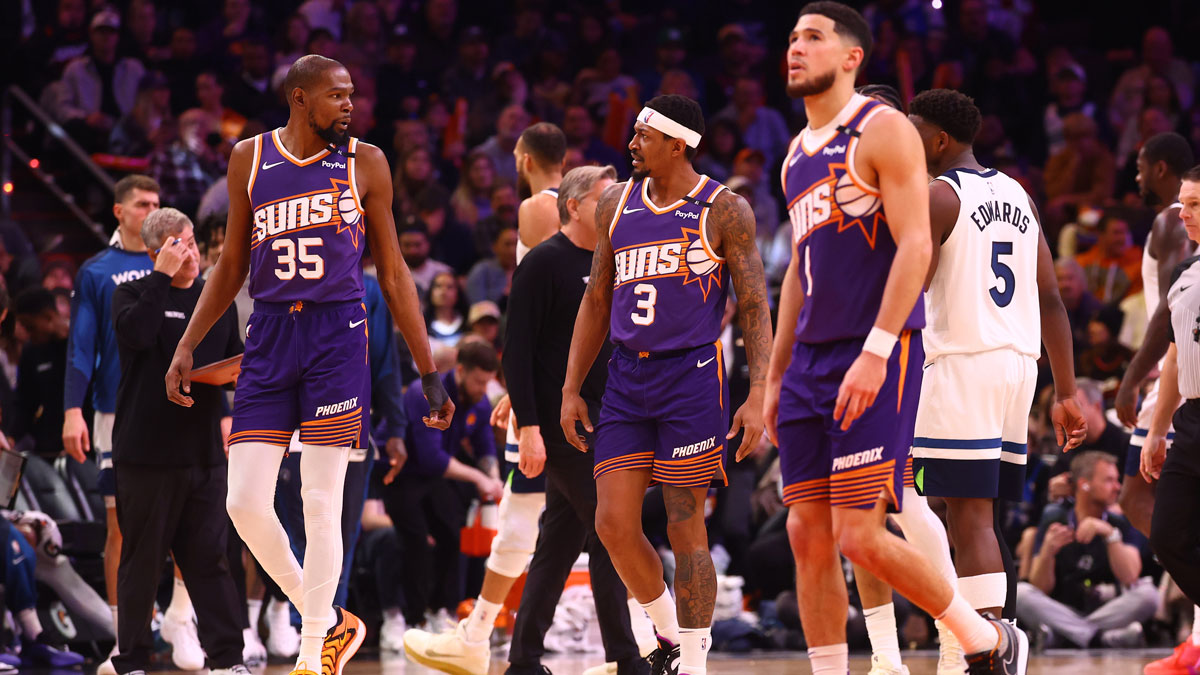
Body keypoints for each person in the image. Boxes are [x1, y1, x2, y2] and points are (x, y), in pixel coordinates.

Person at [165, 54, 454, 675]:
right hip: (269, 332)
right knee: (244, 502)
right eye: (338, 96)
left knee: (322, 502)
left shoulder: (366, 162)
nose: (350, 106)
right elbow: (231, 266)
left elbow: (395, 272)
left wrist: (427, 370)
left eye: (353, 95)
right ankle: (327, 618)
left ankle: (311, 652)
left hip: (336, 335)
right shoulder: (250, 157)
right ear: (300, 99)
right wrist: (188, 343)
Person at [768, 5, 1028, 674]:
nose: (796, 48)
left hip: (877, 348)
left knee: (862, 533)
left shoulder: (883, 130)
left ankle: (987, 636)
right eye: (793, 38)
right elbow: (800, 269)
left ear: (852, 57)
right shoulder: (796, 153)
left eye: (814, 38)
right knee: (806, 531)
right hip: (810, 360)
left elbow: (916, 243)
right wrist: (772, 375)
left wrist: (878, 349)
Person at [561, 92, 773, 675]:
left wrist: (759, 393)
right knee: (611, 523)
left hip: (692, 377)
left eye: (642, 135)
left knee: (685, 520)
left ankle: (697, 663)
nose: (631, 144)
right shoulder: (615, 204)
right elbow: (597, 298)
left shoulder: (723, 209)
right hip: (628, 377)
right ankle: (667, 633)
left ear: (677, 143)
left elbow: (754, 304)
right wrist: (571, 385)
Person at [909, 86, 1086, 652]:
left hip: (963, 360)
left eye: (913, 132)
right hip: (1017, 366)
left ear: (938, 139)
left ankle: (990, 645)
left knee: (961, 513)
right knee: (955, 507)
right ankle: (977, 634)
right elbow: (1052, 300)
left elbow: (909, 291)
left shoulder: (939, 196)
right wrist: (1066, 392)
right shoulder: (1020, 195)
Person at [404, 123, 569, 671]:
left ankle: (659, 635)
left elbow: (541, 313)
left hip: (554, 389)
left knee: (539, 515)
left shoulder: (538, 209)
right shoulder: (573, 206)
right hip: (562, 385)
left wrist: (527, 391)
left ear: (522, 159)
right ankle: (650, 635)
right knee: (559, 517)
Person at [61, 174, 204, 671]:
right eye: (142, 203)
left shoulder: (186, 261)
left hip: (181, 407)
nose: (152, 210)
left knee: (191, 520)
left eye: (158, 203)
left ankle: (181, 618)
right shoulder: (97, 271)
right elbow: (82, 345)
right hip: (116, 410)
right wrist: (72, 408)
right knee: (122, 526)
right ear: (119, 212)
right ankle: (129, 637)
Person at [110, 207, 247, 675]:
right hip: (146, 456)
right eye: (176, 245)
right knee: (142, 565)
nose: (189, 252)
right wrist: (159, 280)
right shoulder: (130, 295)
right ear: (155, 253)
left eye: (189, 241)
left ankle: (228, 661)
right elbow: (138, 334)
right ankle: (131, 661)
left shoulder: (217, 300)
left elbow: (232, 366)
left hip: (203, 453)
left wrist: (235, 380)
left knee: (211, 561)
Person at [1108, 133, 1198, 675]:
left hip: (1173, 376)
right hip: (1184, 391)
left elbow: (1163, 319)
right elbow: (1175, 326)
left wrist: (1130, 378)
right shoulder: (1187, 260)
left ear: (1158, 166)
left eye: (1140, 169)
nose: (1136, 179)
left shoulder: (1165, 222)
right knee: (1161, 518)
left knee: (1139, 497)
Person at [387, 341, 504, 632]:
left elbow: (485, 447)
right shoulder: (425, 394)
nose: (482, 389)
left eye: (488, 383)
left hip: (434, 479)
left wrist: (495, 477)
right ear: (461, 370)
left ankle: (440, 609)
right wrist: (479, 478)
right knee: (416, 542)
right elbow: (431, 458)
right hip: (400, 474)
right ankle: (410, 619)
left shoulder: (479, 401)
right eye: (479, 381)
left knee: (453, 536)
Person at [1139, 165, 1200, 673]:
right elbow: (1176, 361)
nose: (1184, 212)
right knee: (1169, 535)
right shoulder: (1187, 277)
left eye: (1196, 203)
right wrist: (1158, 430)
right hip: (1193, 422)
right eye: (1183, 202)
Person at [1016, 452, 1154, 648]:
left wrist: (1110, 535)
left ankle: (1064, 636)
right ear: (1084, 484)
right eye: (1109, 480)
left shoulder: (1120, 522)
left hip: (1108, 610)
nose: (1117, 487)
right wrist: (1047, 552)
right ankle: (1102, 638)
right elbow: (1040, 587)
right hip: (1062, 607)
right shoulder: (1055, 518)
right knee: (1021, 593)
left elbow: (1131, 576)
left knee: (1148, 595)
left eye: (1117, 480)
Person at [12, 288, 69, 459]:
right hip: (46, 448)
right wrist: (12, 436)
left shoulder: (80, 344)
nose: (28, 335)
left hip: (84, 445)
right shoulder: (31, 352)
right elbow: (25, 401)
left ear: (48, 316)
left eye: (30, 327)